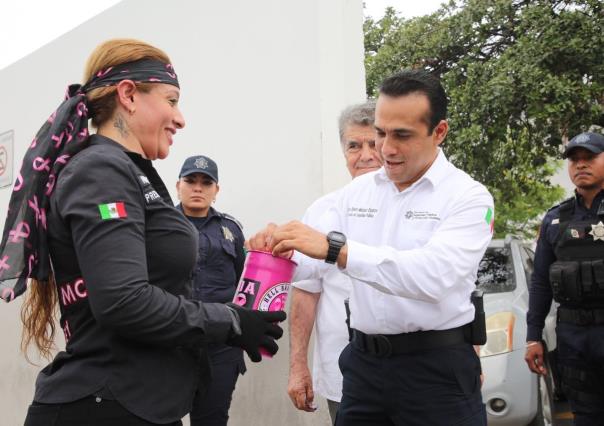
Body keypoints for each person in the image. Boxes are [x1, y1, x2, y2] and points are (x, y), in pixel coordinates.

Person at [0, 38, 285, 426]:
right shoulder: (101, 169)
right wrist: (229, 321)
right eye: (171, 100)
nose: (181, 118)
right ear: (129, 95)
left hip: (137, 403)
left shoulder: (127, 169)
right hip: (103, 405)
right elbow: (123, 301)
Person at [250, 69, 493, 425]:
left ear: (439, 132)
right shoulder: (355, 195)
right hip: (363, 368)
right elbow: (310, 270)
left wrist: (337, 250)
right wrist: (276, 252)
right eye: (380, 132)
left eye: (402, 135)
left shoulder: (468, 197)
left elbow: (433, 276)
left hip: (436, 371)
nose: (386, 148)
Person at [288, 101, 382, 423]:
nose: (366, 155)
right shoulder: (322, 211)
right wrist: (298, 365)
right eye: (354, 146)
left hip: (410, 376)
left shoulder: (415, 207)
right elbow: (305, 292)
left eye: (374, 143)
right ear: (344, 153)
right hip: (342, 376)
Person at [525, 132, 604, 425]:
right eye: (574, 160)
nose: (581, 165)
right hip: (574, 338)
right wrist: (533, 337)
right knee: (585, 416)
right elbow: (541, 282)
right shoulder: (555, 219)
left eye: (590, 158)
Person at [175, 155, 246, 426]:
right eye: (190, 181)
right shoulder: (159, 226)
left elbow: (243, 284)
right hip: (172, 344)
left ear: (216, 191)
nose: (197, 188)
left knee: (212, 420)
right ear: (178, 185)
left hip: (220, 346)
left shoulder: (231, 230)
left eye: (206, 183)